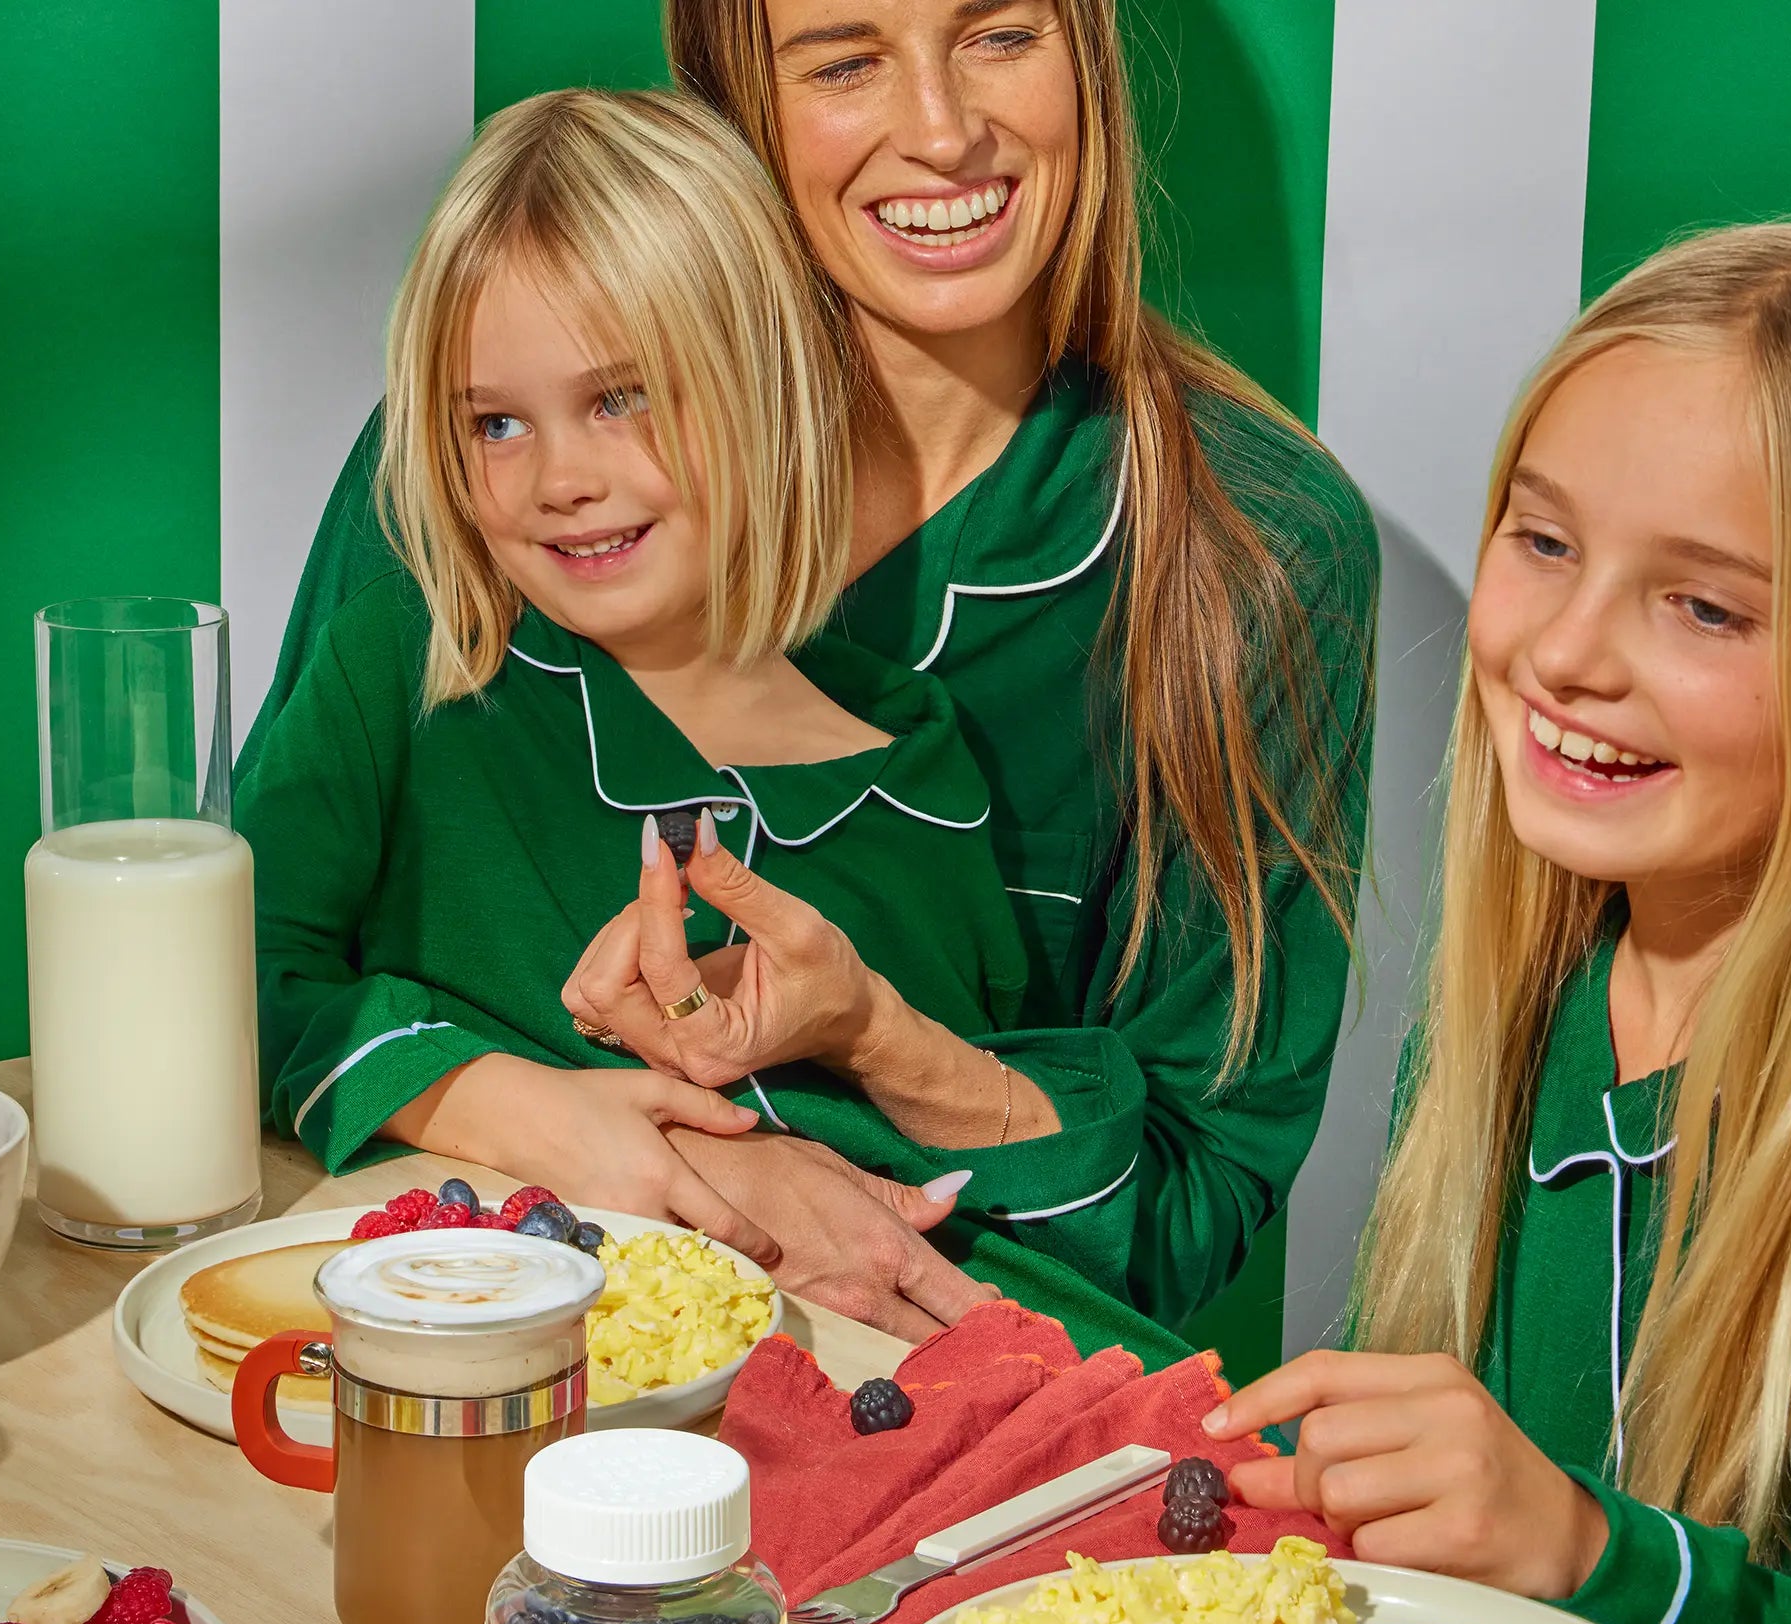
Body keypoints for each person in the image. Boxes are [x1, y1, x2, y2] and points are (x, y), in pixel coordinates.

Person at [244, 0, 1378, 1344]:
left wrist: (876, 1045)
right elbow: (234, 979)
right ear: (737, 99)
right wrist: (615, 1150)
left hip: (932, 1399)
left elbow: (1183, 1221)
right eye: (844, 61)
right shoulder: (473, 477)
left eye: (1001, 36)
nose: (945, 132)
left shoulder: (1256, 550)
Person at [1206, 225, 1791, 1624]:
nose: (1565, 652)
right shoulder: (1520, 1021)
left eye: (1706, 606)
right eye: (1543, 543)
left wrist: (1598, 1555)